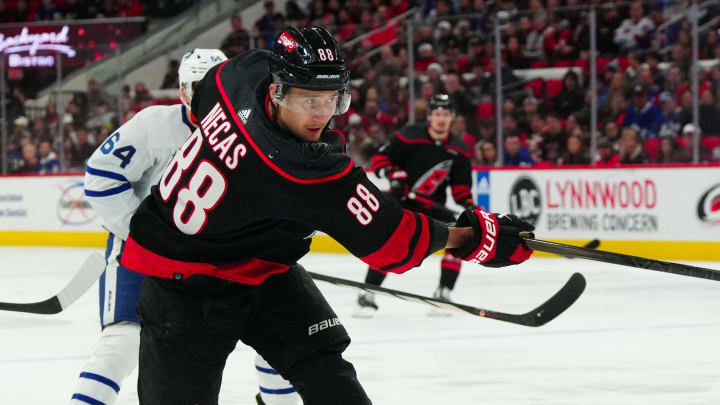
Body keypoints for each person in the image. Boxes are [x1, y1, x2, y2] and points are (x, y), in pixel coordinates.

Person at [118, 26, 533, 405]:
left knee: (326, 368)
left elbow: (208, 91)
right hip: (184, 287)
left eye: (331, 99)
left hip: (262, 268)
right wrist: (472, 238)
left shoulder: (240, 74)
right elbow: (393, 243)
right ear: (278, 91)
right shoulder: (301, 167)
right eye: (309, 100)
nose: (321, 114)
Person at [79, 48, 299, 405]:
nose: (211, 94)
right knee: (122, 343)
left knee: (277, 340)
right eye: (200, 86)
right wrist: (149, 236)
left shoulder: (255, 128)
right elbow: (101, 176)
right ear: (183, 91)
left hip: (222, 259)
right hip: (145, 256)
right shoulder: (154, 125)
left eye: (219, 83)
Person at [356, 94, 475, 317]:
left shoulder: (459, 149)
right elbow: (381, 159)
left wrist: (469, 205)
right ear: (430, 116)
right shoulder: (409, 135)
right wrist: (394, 174)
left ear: (452, 118)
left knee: (459, 239)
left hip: (431, 207)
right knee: (389, 246)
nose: (441, 119)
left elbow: (461, 189)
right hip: (401, 203)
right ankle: (368, 294)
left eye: (446, 115)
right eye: (437, 114)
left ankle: (444, 293)